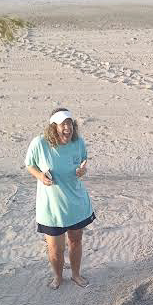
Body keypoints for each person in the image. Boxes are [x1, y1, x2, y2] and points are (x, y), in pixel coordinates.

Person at [25, 108, 95, 289]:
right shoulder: (39, 143)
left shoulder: (78, 142)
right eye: (63, 124)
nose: (68, 127)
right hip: (52, 207)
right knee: (56, 248)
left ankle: (76, 275)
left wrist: (82, 170)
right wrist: (40, 176)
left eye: (70, 123)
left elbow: (82, 162)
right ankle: (58, 277)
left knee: (76, 241)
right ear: (53, 127)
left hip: (76, 203)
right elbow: (29, 164)